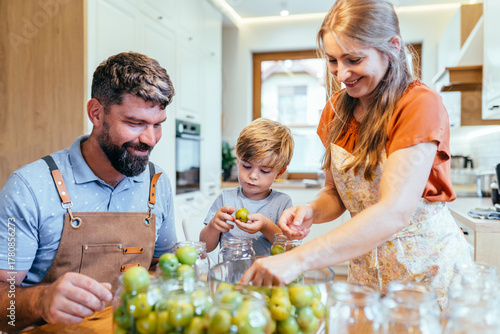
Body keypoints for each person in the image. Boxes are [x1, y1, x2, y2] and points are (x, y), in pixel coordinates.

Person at [241, 0, 471, 308]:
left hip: (426, 276)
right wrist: (312, 209)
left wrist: (298, 259)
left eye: (353, 59)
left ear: (392, 46)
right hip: (365, 277)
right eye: (333, 61)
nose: (342, 73)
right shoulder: (336, 110)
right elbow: (335, 193)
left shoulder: (418, 104)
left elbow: (394, 211)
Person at [0, 52, 177, 330]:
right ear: (96, 113)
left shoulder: (158, 182)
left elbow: (163, 267)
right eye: (134, 123)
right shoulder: (30, 187)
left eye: (157, 125)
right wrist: (41, 300)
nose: (150, 139)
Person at [200, 118, 294, 257]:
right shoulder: (226, 198)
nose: (253, 176)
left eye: (264, 171)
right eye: (246, 166)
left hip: (266, 277)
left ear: (279, 173)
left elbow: (288, 248)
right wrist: (214, 225)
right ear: (238, 161)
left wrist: (265, 225)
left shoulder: (282, 202)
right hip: (230, 276)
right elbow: (205, 247)